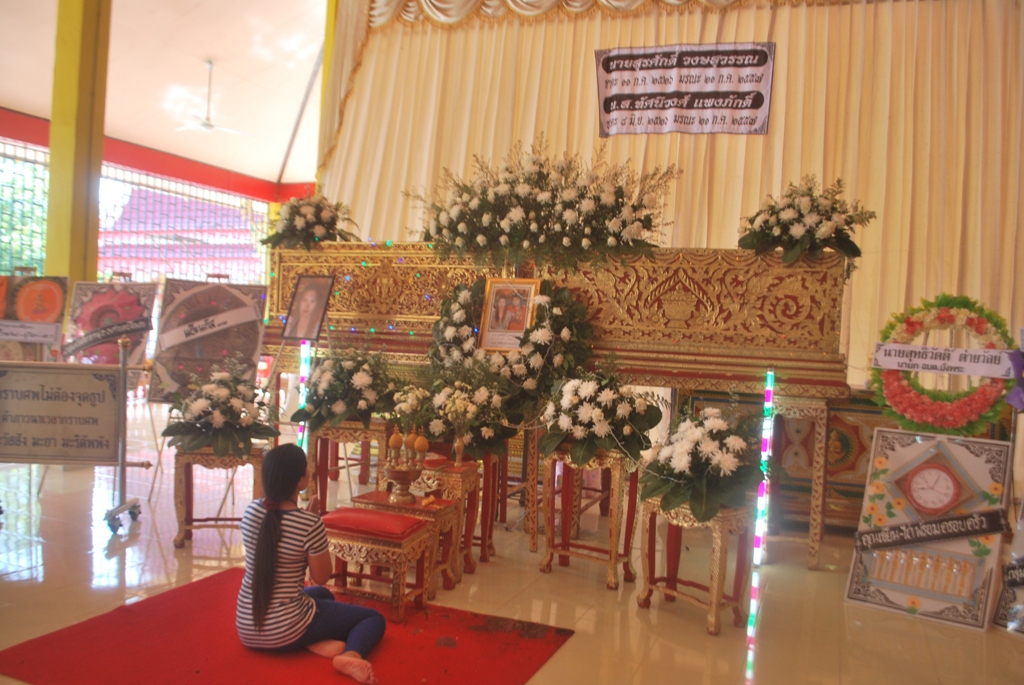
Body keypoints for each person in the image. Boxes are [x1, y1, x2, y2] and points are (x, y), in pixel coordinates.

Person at [236, 444, 384, 683]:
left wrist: (307, 519)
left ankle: (313, 641)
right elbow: (322, 576)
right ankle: (351, 655)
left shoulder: (252, 511)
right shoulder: (309, 525)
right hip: (285, 629)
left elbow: (281, 532)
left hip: (246, 625)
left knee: (321, 596)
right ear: (301, 481)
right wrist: (314, 525)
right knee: (372, 619)